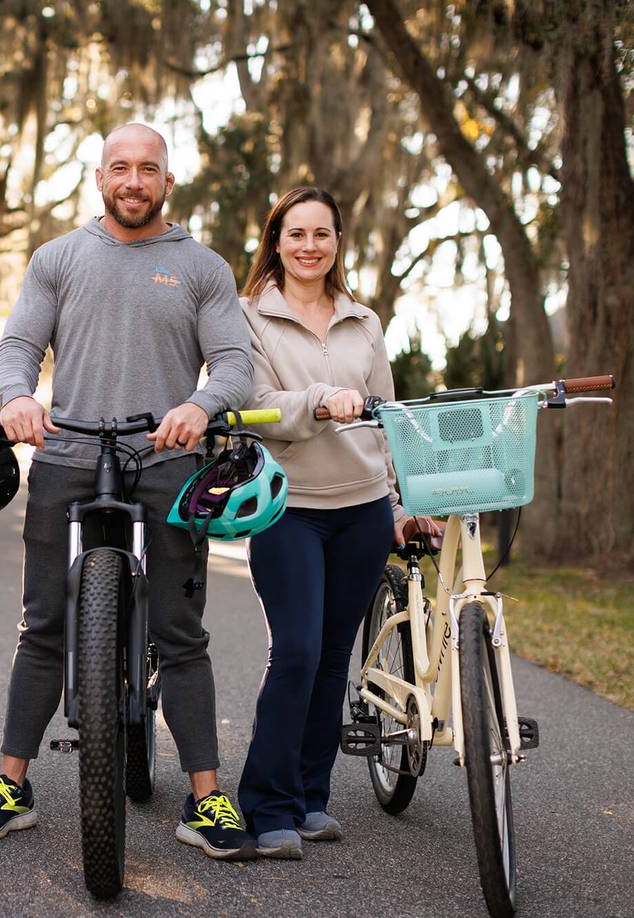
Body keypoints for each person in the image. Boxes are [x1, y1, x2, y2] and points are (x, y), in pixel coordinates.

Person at [0, 123, 260, 861]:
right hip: (66, 453)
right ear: (99, 178)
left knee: (181, 633)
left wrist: (201, 406)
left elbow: (234, 366)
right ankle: (10, 784)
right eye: (120, 168)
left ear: (166, 181)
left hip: (166, 457)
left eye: (147, 169)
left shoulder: (202, 268)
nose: (133, 180)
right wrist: (15, 397)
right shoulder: (58, 258)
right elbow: (20, 345)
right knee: (43, 624)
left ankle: (207, 796)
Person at [236, 186, 442, 858]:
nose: (309, 247)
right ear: (276, 241)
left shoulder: (363, 321)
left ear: (337, 244)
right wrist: (321, 401)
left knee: (330, 663)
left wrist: (401, 506)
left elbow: (385, 420)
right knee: (294, 652)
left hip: (360, 509)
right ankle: (266, 807)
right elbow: (255, 402)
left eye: (321, 235)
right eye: (296, 234)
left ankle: (309, 798)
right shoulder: (249, 318)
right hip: (288, 505)